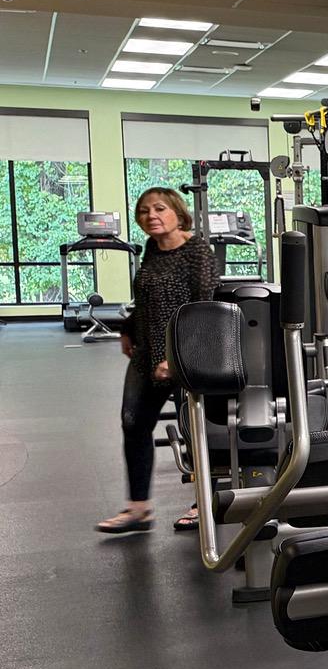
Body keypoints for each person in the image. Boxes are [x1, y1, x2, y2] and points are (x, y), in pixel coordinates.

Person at [97, 186, 217, 535]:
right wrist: (127, 329)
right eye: (145, 210)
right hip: (147, 353)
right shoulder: (152, 248)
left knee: (193, 430)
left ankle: (204, 503)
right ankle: (138, 508)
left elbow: (203, 307)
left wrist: (176, 357)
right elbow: (145, 298)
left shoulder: (197, 250)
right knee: (133, 424)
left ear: (178, 213)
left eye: (159, 208)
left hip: (185, 354)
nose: (151, 216)